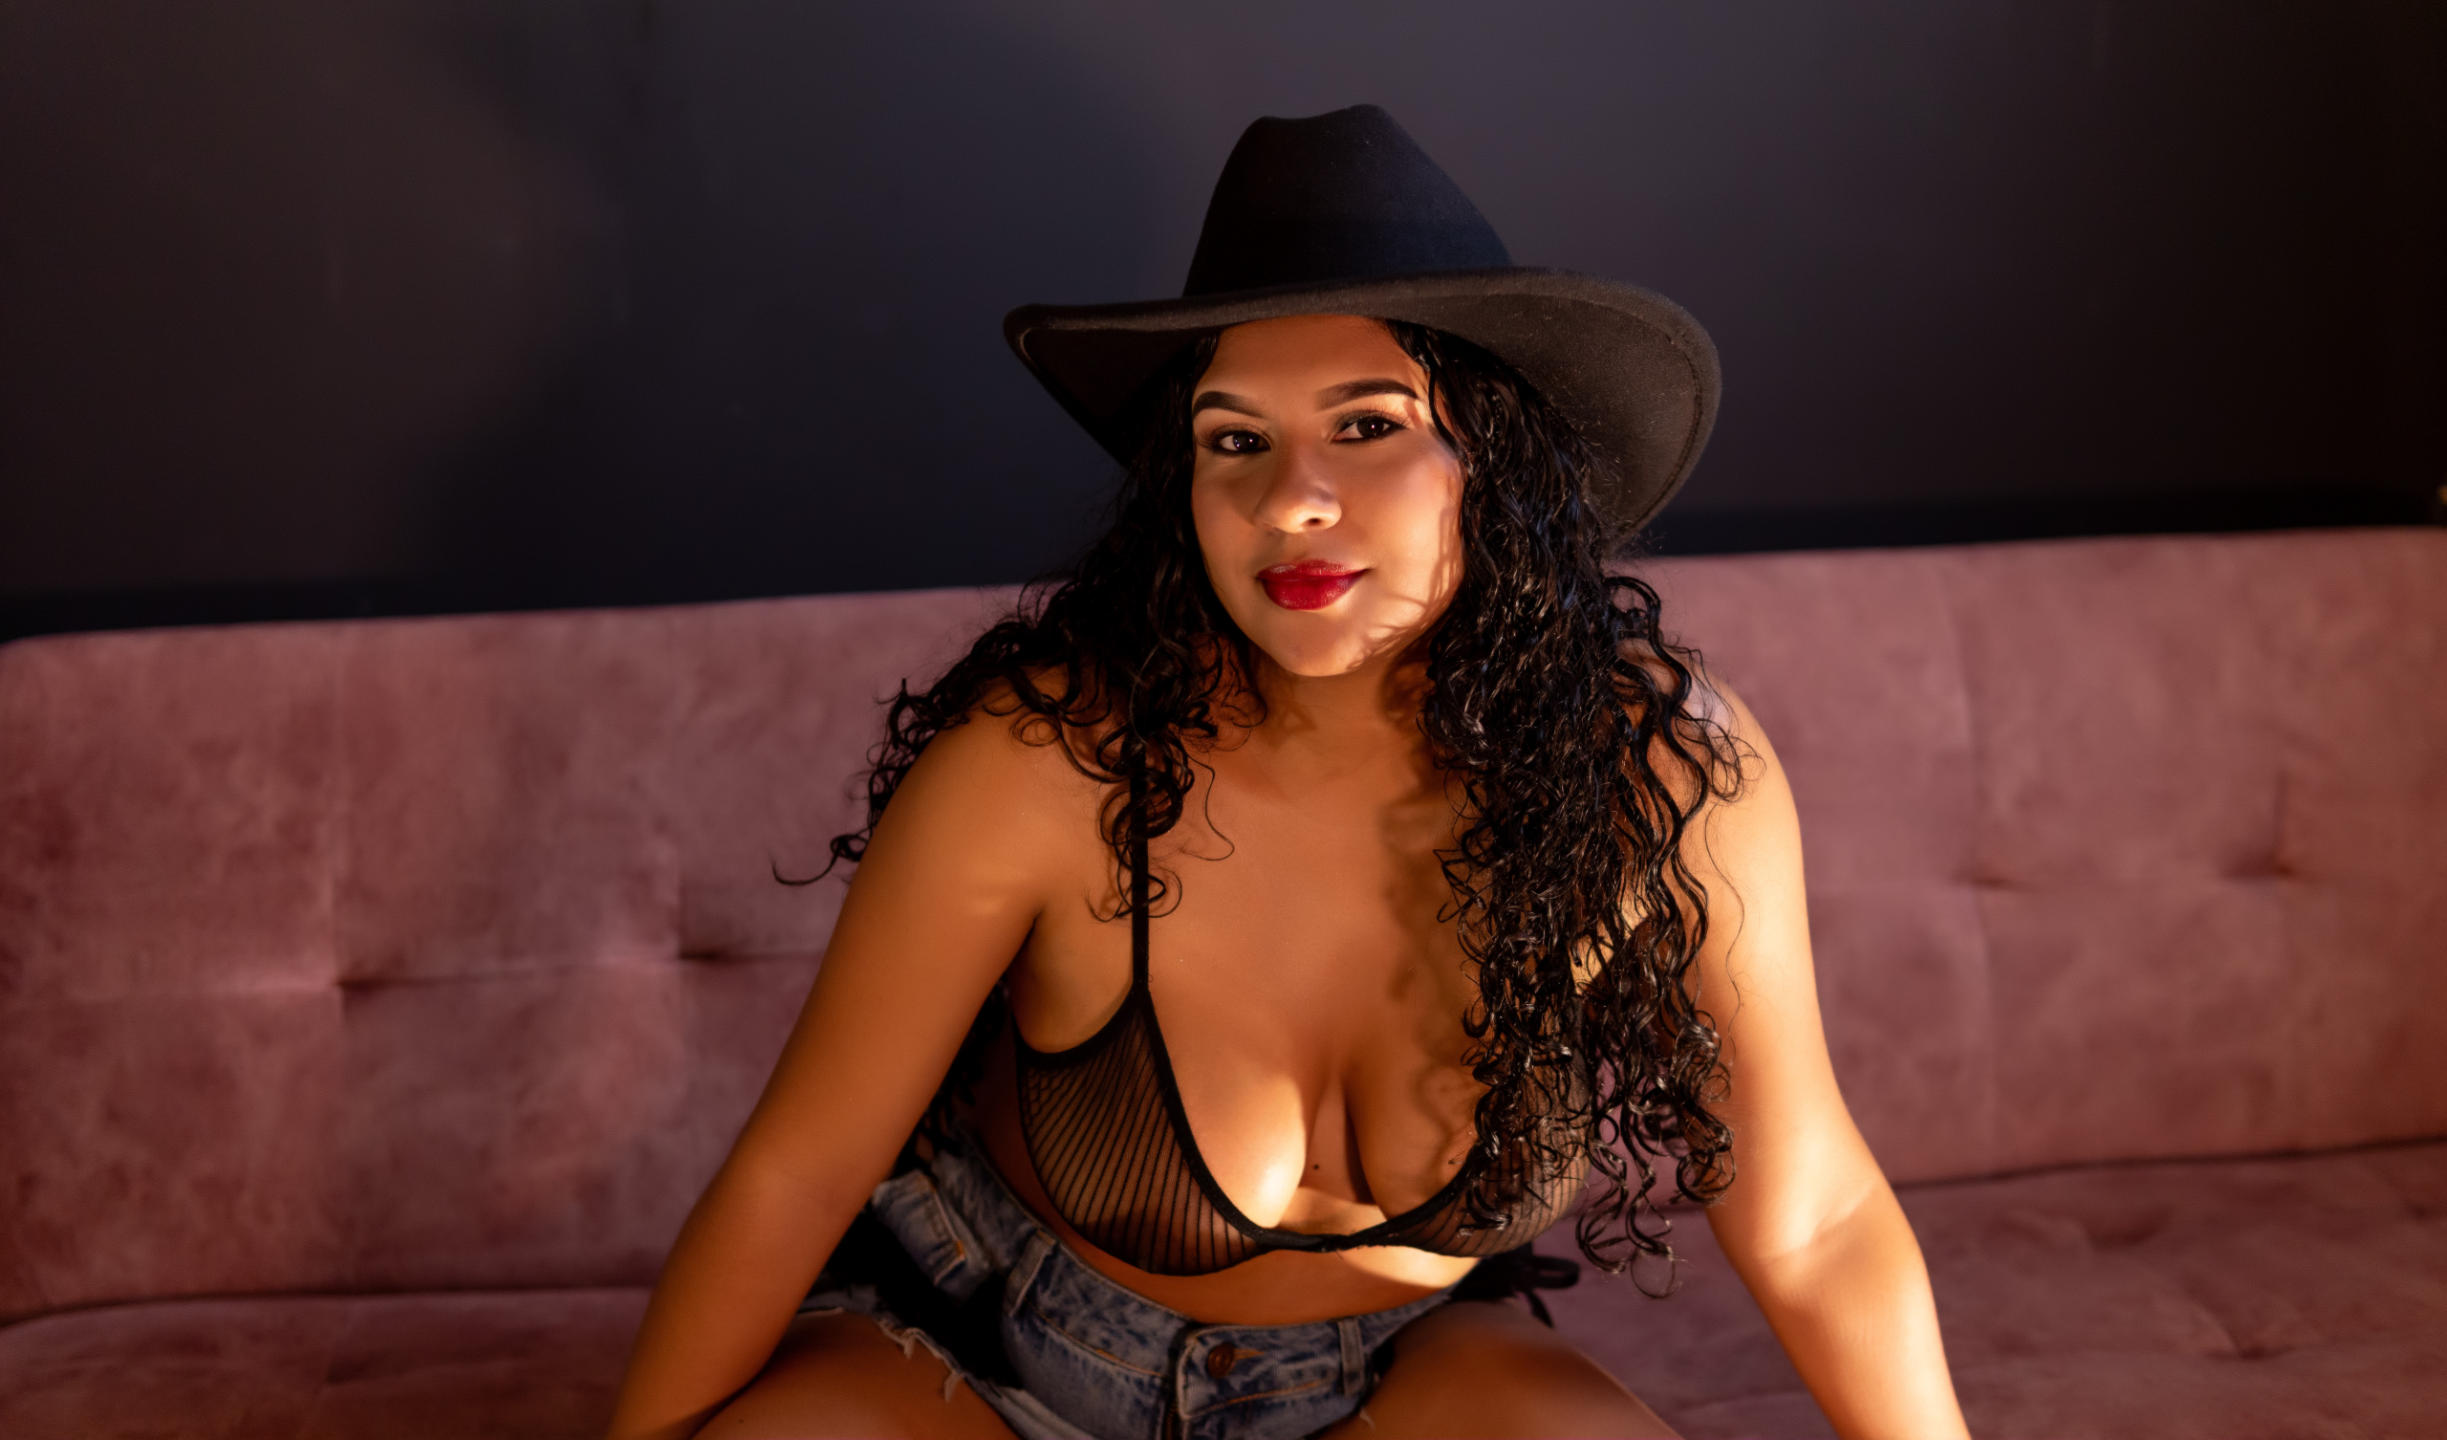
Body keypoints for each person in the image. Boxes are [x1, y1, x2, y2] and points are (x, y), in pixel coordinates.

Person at [605, 105, 1970, 1440]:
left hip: (1390, 1376)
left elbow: (1815, 1220)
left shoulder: (1660, 775)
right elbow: (797, 1173)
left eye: (1366, 426)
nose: (1288, 500)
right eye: (1234, 440)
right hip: (975, 1357)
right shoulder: (1052, 761)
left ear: (1494, 459)